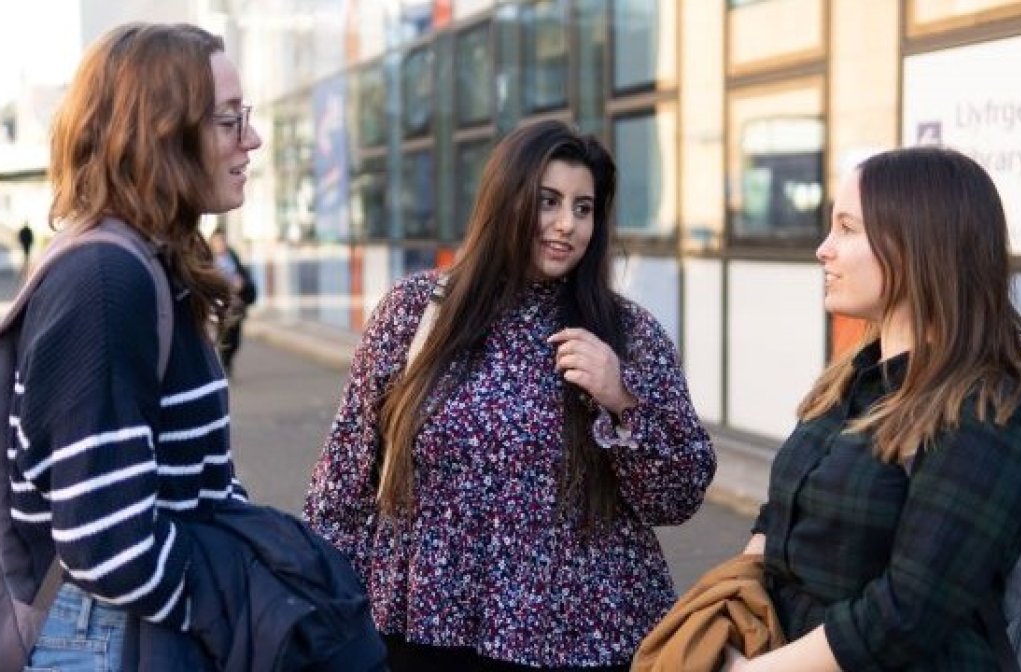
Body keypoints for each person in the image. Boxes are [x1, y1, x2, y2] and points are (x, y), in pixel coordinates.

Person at [305, 120, 716, 671]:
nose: (566, 225)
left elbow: (679, 496)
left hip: (581, 637)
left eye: (583, 207)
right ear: (506, 200)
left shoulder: (627, 334)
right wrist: (328, 619)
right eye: (548, 202)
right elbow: (343, 486)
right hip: (427, 626)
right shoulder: (414, 314)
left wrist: (621, 400)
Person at [721, 146, 1021, 671]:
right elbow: (780, 514)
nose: (823, 249)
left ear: (915, 245)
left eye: (847, 228)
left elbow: (909, 612)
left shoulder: (990, 414)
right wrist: (732, 610)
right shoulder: (849, 383)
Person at [11, 22, 269, 669]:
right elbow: (107, 542)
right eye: (229, 120)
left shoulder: (152, 265)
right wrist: (237, 606)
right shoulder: (105, 281)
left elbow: (199, 481)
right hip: (113, 639)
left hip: (143, 626)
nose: (252, 140)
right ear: (161, 133)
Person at [208, 227, 250, 376]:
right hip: (216, 305)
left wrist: (242, 284)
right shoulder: (208, 259)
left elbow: (244, 276)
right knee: (222, 336)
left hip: (235, 304)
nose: (220, 243)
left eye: (223, 240)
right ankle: (223, 365)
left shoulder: (232, 257)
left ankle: (227, 361)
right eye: (217, 240)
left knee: (235, 338)